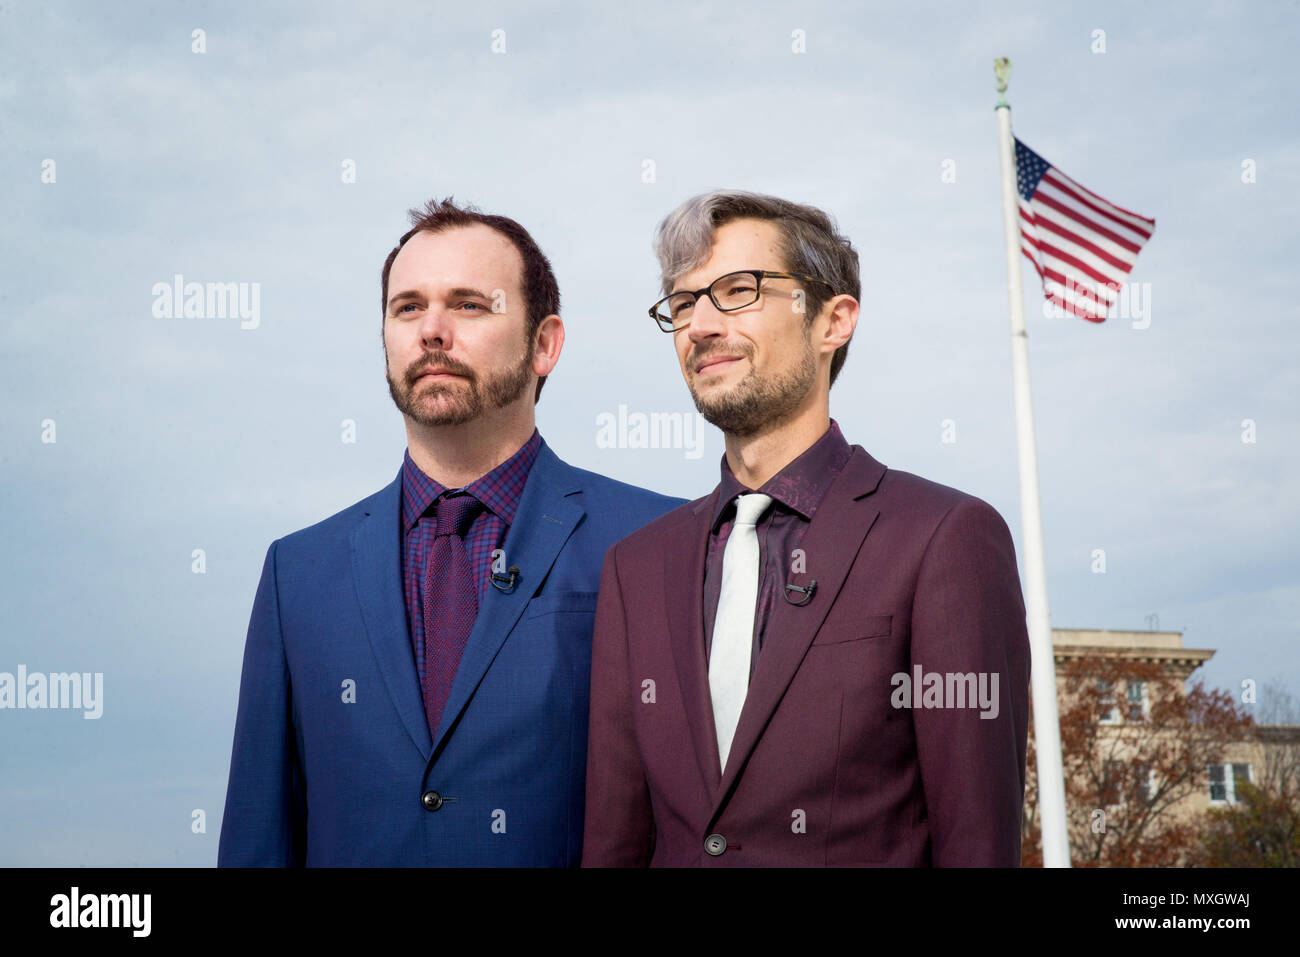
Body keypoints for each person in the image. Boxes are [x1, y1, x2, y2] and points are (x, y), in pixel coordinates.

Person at [218, 197, 683, 866]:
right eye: (408, 308)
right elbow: (258, 839)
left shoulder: (660, 540)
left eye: (469, 304)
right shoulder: (298, 574)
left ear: (545, 343)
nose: (432, 329)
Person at [582, 190, 1031, 866]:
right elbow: (615, 842)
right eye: (682, 303)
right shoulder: (635, 567)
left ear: (834, 320)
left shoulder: (945, 539)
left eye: (738, 290)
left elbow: (977, 844)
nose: (700, 324)